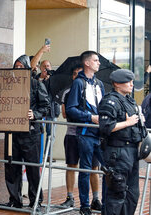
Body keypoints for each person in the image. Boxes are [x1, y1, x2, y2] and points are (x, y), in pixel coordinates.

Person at [0, 54, 50, 209]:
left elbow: (45, 107)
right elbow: (1, 102)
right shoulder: (8, 84)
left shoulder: (36, 84)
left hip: (30, 133)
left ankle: (35, 201)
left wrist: (35, 114)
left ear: (28, 68)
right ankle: (15, 200)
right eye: (16, 66)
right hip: (12, 132)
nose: (18, 69)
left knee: (33, 168)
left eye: (21, 66)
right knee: (11, 166)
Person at [98, 69, 144, 215]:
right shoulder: (110, 101)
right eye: (128, 81)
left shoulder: (129, 100)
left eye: (132, 81)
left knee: (132, 195)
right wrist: (127, 122)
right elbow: (105, 127)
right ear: (117, 83)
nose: (131, 84)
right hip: (117, 152)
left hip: (132, 152)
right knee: (116, 194)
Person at [66, 51, 104, 215]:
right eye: (96, 60)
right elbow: (70, 109)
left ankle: (101, 201)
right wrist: (90, 117)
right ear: (87, 63)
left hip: (100, 133)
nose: (99, 63)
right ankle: (84, 205)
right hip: (85, 133)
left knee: (103, 169)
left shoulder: (99, 84)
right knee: (85, 169)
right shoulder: (78, 83)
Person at [37, 60, 60, 162]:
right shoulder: (36, 78)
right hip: (40, 111)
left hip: (52, 110)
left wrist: (51, 80)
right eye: (44, 66)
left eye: (48, 66)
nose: (46, 68)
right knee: (39, 133)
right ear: (40, 68)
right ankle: (39, 155)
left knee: (51, 135)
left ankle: (48, 155)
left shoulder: (55, 78)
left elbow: (58, 92)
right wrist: (43, 80)